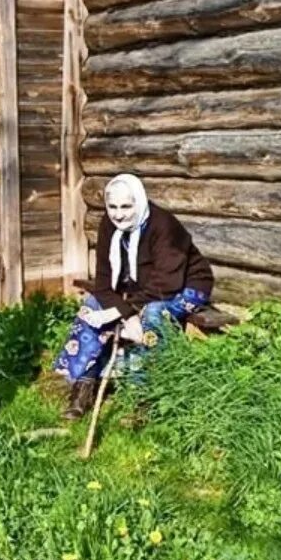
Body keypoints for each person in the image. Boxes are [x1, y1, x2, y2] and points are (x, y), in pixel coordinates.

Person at [53, 173, 213, 419]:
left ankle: (142, 396)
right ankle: (83, 388)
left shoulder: (163, 225)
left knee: (154, 313)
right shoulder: (109, 225)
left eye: (126, 206)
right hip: (141, 290)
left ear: (139, 202)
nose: (118, 214)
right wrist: (125, 313)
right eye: (112, 206)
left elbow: (167, 284)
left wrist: (126, 312)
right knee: (92, 306)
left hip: (184, 287)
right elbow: (104, 283)